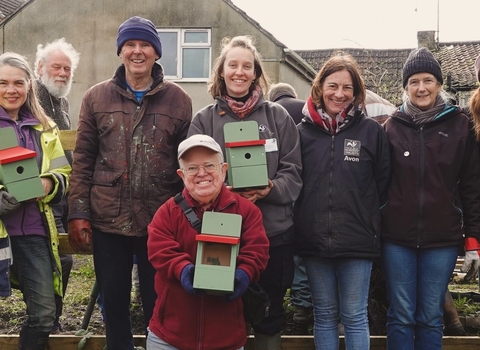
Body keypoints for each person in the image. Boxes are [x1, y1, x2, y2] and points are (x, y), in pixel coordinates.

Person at [67, 16, 192, 350]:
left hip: (160, 221)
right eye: (130, 45)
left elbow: (185, 165)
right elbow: (83, 159)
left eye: (145, 45)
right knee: (114, 302)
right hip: (108, 219)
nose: (138, 51)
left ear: (156, 52)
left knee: (159, 302)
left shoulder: (178, 100)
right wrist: (77, 211)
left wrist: (184, 217)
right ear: (121, 51)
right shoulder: (96, 98)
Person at [188, 35, 302, 348]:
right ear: (221, 71)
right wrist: (220, 192)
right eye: (233, 65)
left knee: (269, 313)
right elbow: (192, 176)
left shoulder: (278, 118)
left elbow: (294, 174)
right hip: (219, 232)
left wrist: (269, 188)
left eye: (247, 66)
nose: (239, 71)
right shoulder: (204, 120)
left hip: (272, 234)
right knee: (218, 311)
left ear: (255, 74)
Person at [381, 47, 480, 349]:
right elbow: (378, 184)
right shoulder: (389, 128)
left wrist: (473, 241)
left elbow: (472, 188)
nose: (421, 87)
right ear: (406, 87)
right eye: (413, 81)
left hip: (443, 238)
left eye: (427, 80)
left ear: (439, 84)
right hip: (396, 238)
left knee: (429, 315)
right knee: (401, 314)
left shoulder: (462, 126)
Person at [293, 53, 391, 350]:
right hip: (314, 240)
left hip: (358, 240)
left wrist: (370, 224)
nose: (339, 94)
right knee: (324, 315)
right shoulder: (301, 134)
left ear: (357, 92)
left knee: (354, 316)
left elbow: (383, 184)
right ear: (319, 87)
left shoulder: (371, 132)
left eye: (347, 88)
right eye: (332, 85)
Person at [146, 134, 270, 350]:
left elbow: (257, 252)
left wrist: (243, 275)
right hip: (169, 337)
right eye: (192, 168)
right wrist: (184, 271)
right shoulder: (167, 212)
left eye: (209, 166)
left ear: (223, 170)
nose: (201, 174)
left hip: (226, 339)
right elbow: (160, 251)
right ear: (181, 174)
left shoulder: (247, 212)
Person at [0, 52, 71, 349]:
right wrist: (10, 195)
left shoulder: (45, 127)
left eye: (18, 82)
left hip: (33, 231)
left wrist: (48, 183)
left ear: (29, 85)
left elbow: (63, 172)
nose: (10, 90)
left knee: (43, 314)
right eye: (2, 83)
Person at [34, 37, 80, 333]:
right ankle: (44, 319)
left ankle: (51, 319)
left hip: (60, 191)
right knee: (52, 260)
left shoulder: (60, 100)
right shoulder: (30, 97)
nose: (63, 73)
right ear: (40, 67)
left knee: (62, 259)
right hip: (35, 195)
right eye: (57, 67)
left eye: (67, 69)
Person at [268, 82, 311, 334]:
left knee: (289, 254)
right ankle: (302, 308)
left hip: (279, 190)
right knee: (302, 255)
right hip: (303, 188)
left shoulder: (271, 112)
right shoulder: (304, 108)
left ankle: (294, 311)